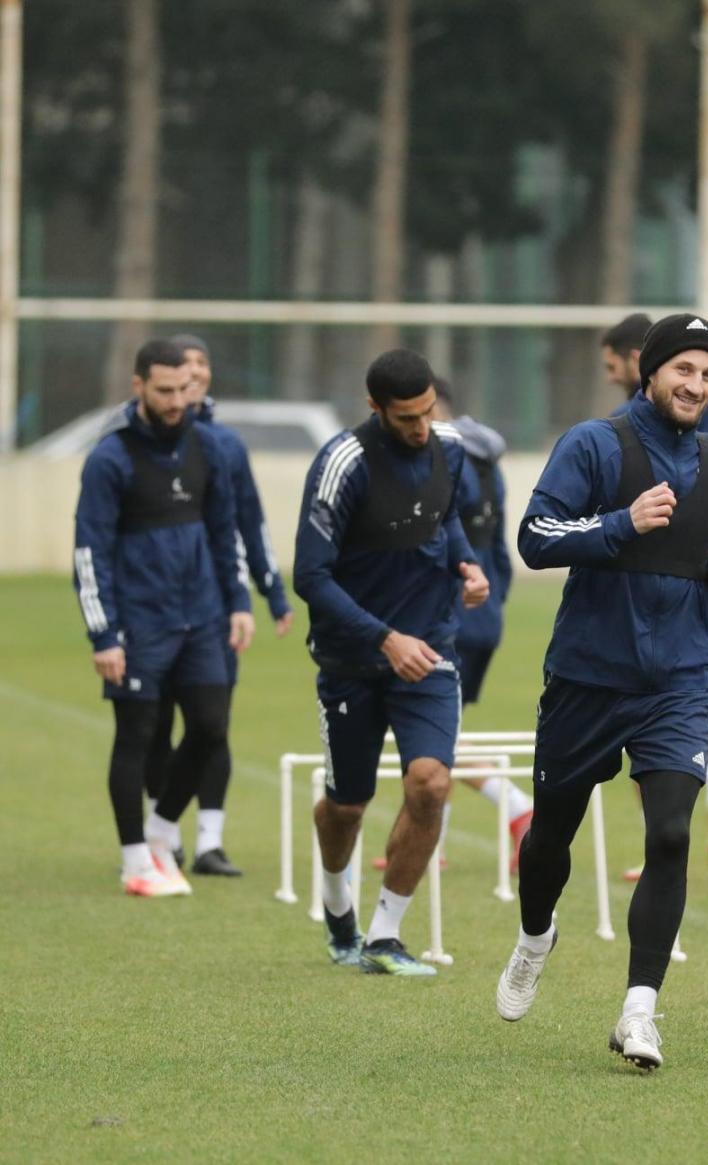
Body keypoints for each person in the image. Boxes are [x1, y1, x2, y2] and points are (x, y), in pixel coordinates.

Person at [495, 313, 708, 1071]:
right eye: (684, 370)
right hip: (589, 675)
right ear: (651, 370)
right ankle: (535, 936)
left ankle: (639, 1010)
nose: (696, 385)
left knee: (670, 834)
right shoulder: (593, 443)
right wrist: (620, 523)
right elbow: (535, 538)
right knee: (551, 837)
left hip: (679, 679)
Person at [293, 349, 490, 976]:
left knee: (430, 783)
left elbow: (445, 518)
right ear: (375, 407)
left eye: (429, 411)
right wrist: (384, 639)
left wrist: (466, 564)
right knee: (346, 806)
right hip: (352, 658)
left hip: (430, 648)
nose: (423, 427)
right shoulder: (343, 464)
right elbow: (310, 576)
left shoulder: (449, 447)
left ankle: (384, 936)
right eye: (408, 418)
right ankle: (337, 908)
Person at [72, 339, 253, 897]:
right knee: (138, 735)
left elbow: (224, 531)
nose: (178, 401)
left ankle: (159, 830)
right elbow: (89, 553)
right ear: (139, 387)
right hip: (138, 623)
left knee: (210, 727)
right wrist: (103, 634)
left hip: (202, 617)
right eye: (165, 391)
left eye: (184, 389)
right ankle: (136, 862)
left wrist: (238, 600)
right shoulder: (111, 458)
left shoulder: (208, 447)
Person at [138, 333, 293, 877]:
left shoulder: (224, 444)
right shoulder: (134, 443)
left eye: (201, 363)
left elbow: (248, 521)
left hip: (215, 606)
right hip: (154, 608)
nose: (194, 373)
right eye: (184, 365)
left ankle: (210, 840)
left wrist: (269, 592)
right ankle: (164, 834)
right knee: (154, 725)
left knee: (212, 722)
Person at [606, 311, 708, 877]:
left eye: (612, 365)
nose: (695, 384)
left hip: (657, 591)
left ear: (638, 361)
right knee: (698, 701)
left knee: (652, 718)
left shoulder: (635, 425)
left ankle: (658, 848)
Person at [432, 380, 532, 869]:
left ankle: (518, 808)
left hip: (447, 613)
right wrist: (493, 603)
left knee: (432, 725)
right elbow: (500, 551)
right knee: (443, 721)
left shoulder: (440, 461)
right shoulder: (488, 460)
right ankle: (433, 842)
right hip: (483, 614)